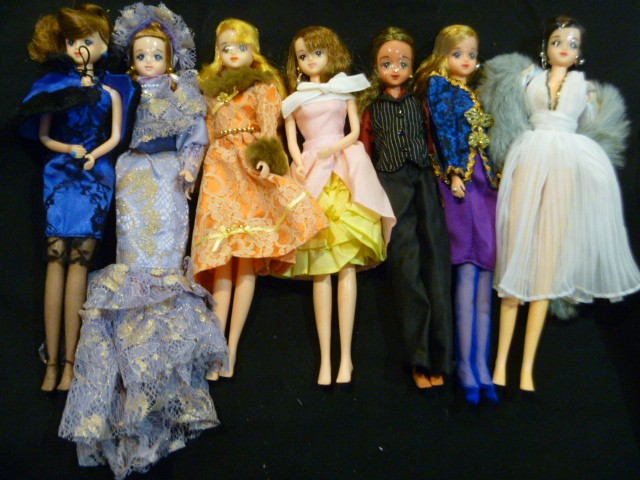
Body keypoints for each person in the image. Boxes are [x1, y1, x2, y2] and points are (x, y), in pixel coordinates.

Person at [58, 4, 228, 477]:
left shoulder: (183, 91)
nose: (149, 61)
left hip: (170, 177)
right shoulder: (124, 89)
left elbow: (197, 133)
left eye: (157, 54)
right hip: (132, 176)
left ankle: (164, 380)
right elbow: (108, 128)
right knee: (132, 268)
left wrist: (190, 168)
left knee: (165, 268)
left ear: (170, 58)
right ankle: (129, 385)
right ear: (131, 59)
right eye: (141, 55)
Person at [479, 15, 640, 393]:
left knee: (547, 265)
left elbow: (596, 128)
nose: (564, 48)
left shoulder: (587, 90)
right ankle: (500, 362)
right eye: (557, 41)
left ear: (579, 52)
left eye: (571, 43)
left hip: (566, 162)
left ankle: (526, 366)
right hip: (529, 156)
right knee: (515, 254)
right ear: (545, 46)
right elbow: (508, 114)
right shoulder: (527, 79)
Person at [192, 18, 327, 379]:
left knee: (247, 260)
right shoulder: (209, 90)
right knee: (222, 260)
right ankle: (215, 347)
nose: (234, 53)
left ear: (253, 49)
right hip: (218, 171)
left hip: (249, 167)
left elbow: (269, 130)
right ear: (217, 52)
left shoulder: (263, 85)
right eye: (226, 48)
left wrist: (267, 159)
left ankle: (231, 348)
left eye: (242, 47)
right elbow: (205, 134)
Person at [17, 3, 136, 392]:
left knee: (80, 261)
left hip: (94, 177)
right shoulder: (55, 89)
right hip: (59, 174)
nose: (80, 48)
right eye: (72, 42)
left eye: (88, 40)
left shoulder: (112, 92)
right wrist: (68, 149)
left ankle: (71, 363)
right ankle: (51, 363)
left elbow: (115, 137)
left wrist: (94, 156)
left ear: (103, 44)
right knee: (56, 258)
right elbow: (43, 135)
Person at [283, 26, 395, 386]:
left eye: (317, 53)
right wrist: (298, 161)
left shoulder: (343, 88)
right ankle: (325, 360)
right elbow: (292, 140)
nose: (310, 61)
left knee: (345, 262)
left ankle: (346, 357)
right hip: (311, 168)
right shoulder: (295, 99)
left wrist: (336, 148)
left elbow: (353, 131)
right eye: (303, 56)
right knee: (320, 267)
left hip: (343, 166)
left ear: (330, 53)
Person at [358, 26, 452, 391]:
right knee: (407, 270)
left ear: (412, 67)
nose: (395, 68)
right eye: (386, 62)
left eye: (402, 62)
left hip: (425, 182)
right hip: (391, 186)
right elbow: (365, 152)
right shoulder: (371, 109)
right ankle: (419, 358)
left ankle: (442, 357)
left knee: (437, 268)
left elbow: (436, 142)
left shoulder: (421, 103)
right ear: (376, 67)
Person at [413, 25, 498, 403]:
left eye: (471, 55)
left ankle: (481, 364)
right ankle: (465, 365)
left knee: (485, 273)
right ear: (443, 55)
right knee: (466, 270)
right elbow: (445, 129)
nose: (466, 61)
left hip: (486, 184)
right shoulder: (439, 86)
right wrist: (453, 171)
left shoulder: (475, 92)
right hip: (461, 182)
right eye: (457, 53)